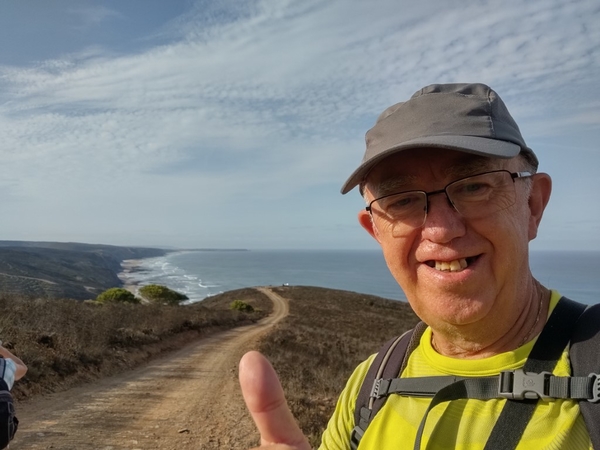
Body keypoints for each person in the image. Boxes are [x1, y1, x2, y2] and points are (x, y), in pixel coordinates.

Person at [238, 83, 595, 449]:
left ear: (533, 204)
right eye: (403, 200)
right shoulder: (370, 386)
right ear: (376, 231)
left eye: (474, 187)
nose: (441, 230)